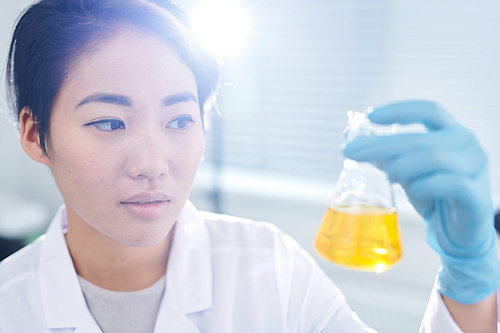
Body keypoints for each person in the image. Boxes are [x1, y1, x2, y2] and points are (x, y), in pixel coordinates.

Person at [0, 0, 498, 332]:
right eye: (109, 123)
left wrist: (468, 278)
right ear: (34, 134)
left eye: (178, 120)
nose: (153, 164)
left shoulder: (269, 268)